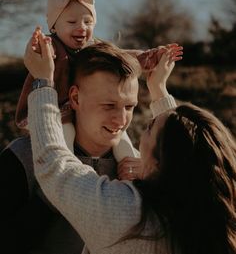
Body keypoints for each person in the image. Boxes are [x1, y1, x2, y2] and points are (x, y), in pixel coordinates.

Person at [26, 33, 236, 254]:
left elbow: (53, 164)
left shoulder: (127, 215)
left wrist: (42, 82)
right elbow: (183, 149)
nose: (122, 121)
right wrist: (159, 89)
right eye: (109, 105)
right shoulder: (211, 219)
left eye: (148, 128)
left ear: (160, 165)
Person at [0, 29, 182, 254]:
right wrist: (50, 199)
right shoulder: (24, 157)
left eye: (129, 106)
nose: (121, 119)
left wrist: (146, 186)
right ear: (75, 98)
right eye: (108, 105)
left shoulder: (140, 166)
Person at [15, 0, 168, 160]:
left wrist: (148, 57)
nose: (81, 27)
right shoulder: (53, 45)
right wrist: (38, 47)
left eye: (88, 21)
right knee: (64, 136)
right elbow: (39, 58)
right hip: (58, 111)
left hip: (85, 109)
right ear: (54, 26)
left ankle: (130, 165)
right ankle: (66, 171)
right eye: (72, 21)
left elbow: (122, 57)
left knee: (122, 139)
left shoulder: (94, 47)